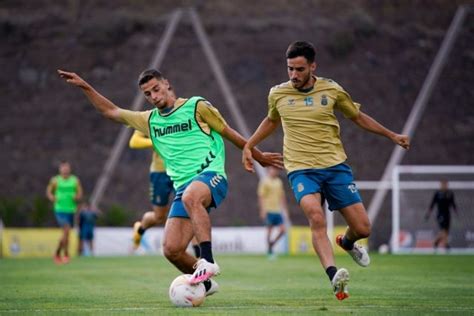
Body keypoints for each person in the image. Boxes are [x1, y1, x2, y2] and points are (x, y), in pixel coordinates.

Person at [58, 68, 282, 295]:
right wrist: (85, 86)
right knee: (171, 249)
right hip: (183, 189)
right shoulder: (149, 120)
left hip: (211, 176)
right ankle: (205, 283)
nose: (154, 96)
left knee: (191, 196)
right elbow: (111, 110)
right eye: (148, 94)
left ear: (166, 84)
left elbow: (228, 132)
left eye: (156, 89)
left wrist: (258, 155)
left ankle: (208, 260)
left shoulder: (196, 106)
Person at [242, 41, 410, 300]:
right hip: (301, 169)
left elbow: (357, 117)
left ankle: (347, 242)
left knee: (363, 228)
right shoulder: (278, 94)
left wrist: (391, 135)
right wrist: (249, 145)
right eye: (290, 69)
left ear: (312, 66)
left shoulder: (332, 90)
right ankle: (334, 276)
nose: (294, 75)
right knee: (315, 215)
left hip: (335, 167)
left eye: (299, 69)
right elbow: (271, 120)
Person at [129, 130, 201, 257]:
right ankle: (140, 229)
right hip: (159, 173)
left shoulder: (183, 118)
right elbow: (134, 142)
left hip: (181, 172)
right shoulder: (149, 119)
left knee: (189, 210)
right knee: (159, 217)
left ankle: (199, 256)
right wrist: (158, 141)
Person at [46, 160, 83, 264]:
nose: (65, 169)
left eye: (67, 168)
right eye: (63, 168)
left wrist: (77, 197)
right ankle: (65, 254)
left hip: (71, 209)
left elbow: (80, 192)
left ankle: (58, 253)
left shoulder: (74, 180)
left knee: (66, 234)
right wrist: (52, 197)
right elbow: (49, 191)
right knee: (66, 230)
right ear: (60, 169)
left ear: (69, 169)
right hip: (59, 209)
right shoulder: (55, 180)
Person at [257, 166, 289, 258]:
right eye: (272, 169)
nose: (274, 171)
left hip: (278, 210)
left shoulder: (279, 182)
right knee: (269, 230)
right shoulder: (264, 181)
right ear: (269, 170)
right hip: (268, 209)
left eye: (275, 170)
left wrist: (285, 209)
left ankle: (271, 244)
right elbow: (261, 196)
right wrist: (262, 210)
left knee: (283, 230)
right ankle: (269, 251)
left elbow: (282, 196)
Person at [425, 180, 458, 251]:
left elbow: (453, 204)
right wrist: (428, 213)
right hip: (440, 214)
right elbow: (432, 204)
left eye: (445, 184)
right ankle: (446, 245)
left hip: (448, 214)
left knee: (446, 231)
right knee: (443, 230)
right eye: (443, 184)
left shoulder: (450, 193)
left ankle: (436, 242)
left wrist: (456, 212)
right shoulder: (437, 193)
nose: (444, 186)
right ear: (440, 185)